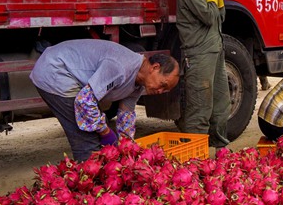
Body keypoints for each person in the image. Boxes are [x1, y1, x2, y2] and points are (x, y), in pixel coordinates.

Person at [29, 39, 180, 161]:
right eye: (163, 84)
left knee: (95, 131)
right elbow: (85, 101)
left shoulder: (139, 83)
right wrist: (105, 131)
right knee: (88, 140)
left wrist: (126, 147)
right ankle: (87, 189)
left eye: (165, 90)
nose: (160, 91)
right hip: (55, 71)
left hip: (67, 75)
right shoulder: (120, 67)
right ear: (155, 67)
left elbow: (126, 114)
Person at [174, 0, 231, 148]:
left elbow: (220, 16)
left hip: (214, 49)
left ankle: (219, 151)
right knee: (200, 109)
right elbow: (208, 16)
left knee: (221, 105)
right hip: (199, 54)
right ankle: (193, 158)